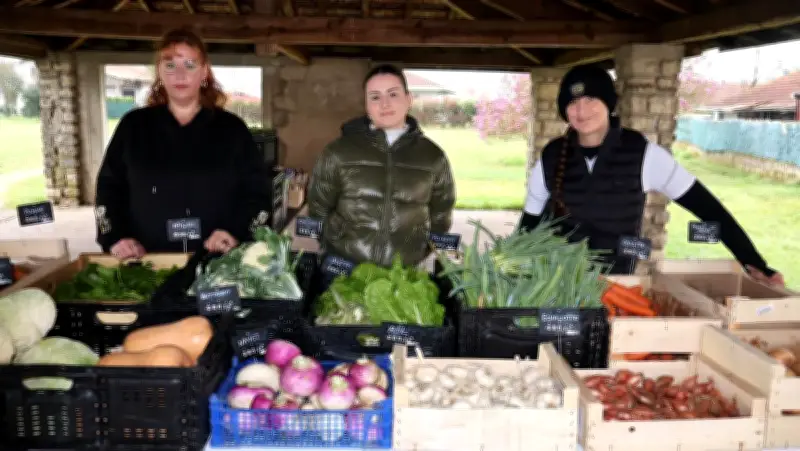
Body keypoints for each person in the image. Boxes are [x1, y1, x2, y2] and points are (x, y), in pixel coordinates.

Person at [519, 64, 784, 285]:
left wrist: (754, 262)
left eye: (590, 99)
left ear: (609, 103)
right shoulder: (551, 156)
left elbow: (709, 209)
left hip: (617, 282)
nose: (581, 110)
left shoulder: (643, 153)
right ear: (564, 110)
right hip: (556, 279)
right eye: (573, 102)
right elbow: (529, 222)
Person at [94, 28, 271, 259]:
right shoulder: (133, 127)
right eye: (170, 65)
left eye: (189, 65)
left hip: (217, 262)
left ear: (204, 72)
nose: (180, 75)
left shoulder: (232, 130)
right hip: (147, 261)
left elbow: (258, 193)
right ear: (159, 71)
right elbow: (108, 188)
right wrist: (115, 236)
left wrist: (236, 232)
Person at [307, 64, 456, 268]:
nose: (384, 104)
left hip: (402, 271)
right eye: (375, 97)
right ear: (367, 106)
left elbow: (441, 214)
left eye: (393, 94)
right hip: (345, 266)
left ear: (408, 100)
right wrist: (332, 245)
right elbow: (318, 208)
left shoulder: (433, 157)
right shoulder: (337, 152)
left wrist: (419, 251)